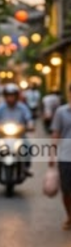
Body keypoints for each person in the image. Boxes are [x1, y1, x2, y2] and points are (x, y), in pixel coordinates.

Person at [47, 86, 71, 230]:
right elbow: (56, 133)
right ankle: (69, 216)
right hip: (66, 156)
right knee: (66, 190)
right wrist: (52, 153)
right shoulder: (61, 112)